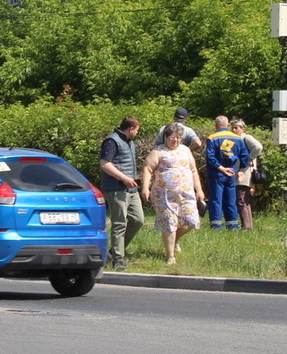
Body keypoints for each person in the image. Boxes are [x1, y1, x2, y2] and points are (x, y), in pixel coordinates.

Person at [141, 122, 205, 265]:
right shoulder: (158, 151)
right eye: (172, 137)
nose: (175, 140)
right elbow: (147, 169)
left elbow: (193, 170)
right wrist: (145, 188)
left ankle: (174, 240)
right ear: (165, 137)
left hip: (186, 194)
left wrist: (199, 190)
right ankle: (170, 256)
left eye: (178, 137)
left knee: (190, 222)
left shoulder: (185, 151)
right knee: (169, 223)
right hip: (164, 195)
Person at [98, 115, 143, 271]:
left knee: (138, 220)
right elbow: (105, 164)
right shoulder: (112, 141)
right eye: (137, 130)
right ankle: (118, 259)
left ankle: (113, 251)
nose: (137, 133)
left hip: (131, 188)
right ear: (130, 129)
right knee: (119, 224)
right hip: (116, 188)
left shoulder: (129, 141)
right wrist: (123, 178)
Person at [204, 115, 250, 230]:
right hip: (232, 172)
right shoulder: (237, 138)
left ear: (216, 125)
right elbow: (245, 156)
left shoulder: (212, 138)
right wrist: (241, 170)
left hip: (217, 173)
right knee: (231, 200)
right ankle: (233, 226)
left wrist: (220, 168)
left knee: (216, 200)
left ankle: (216, 226)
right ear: (228, 125)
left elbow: (210, 157)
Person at [230, 118, 263, 231]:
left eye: (237, 127)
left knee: (241, 198)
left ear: (242, 128)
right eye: (233, 127)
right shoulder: (236, 139)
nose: (234, 130)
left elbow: (258, 147)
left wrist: (250, 158)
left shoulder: (246, 138)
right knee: (244, 200)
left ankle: (246, 227)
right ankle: (248, 226)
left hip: (245, 173)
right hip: (241, 172)